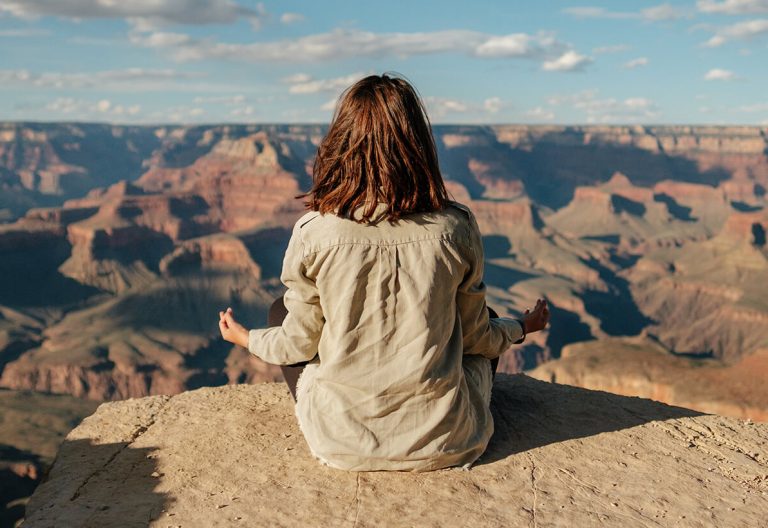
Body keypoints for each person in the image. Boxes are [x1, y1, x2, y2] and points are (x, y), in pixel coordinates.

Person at [218, 73, 550, 472]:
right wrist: (521, 327)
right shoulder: (455, 227)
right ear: (418, 145)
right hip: (449, 442)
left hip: (340, 445)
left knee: (279, 313)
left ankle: (350, 423)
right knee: (488, 318)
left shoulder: (314, 231)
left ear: (341, 143)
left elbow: (298, 345)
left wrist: (246, 338)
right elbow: (478, 338)